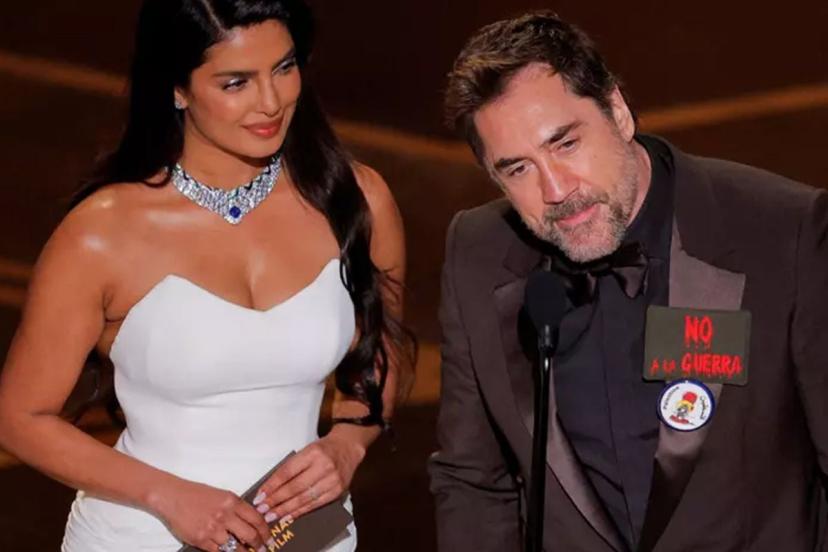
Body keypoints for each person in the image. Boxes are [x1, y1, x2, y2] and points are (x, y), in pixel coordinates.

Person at [0, 1, 411, 551]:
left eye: (284, 68)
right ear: (178, 89)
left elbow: (385, 348)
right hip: (142, 536)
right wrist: (169, 496)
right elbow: (19, 418)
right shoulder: (102, 234)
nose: (271, 101)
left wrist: (348, 444)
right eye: (236, 82)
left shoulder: (356, 200)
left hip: (306, 536)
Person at [428, 10, 828, 552]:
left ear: (617, 111)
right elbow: (472, 481)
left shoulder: (784, 233)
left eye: (565, 144)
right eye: (517, 169)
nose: (555, 190)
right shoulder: (477, 254)